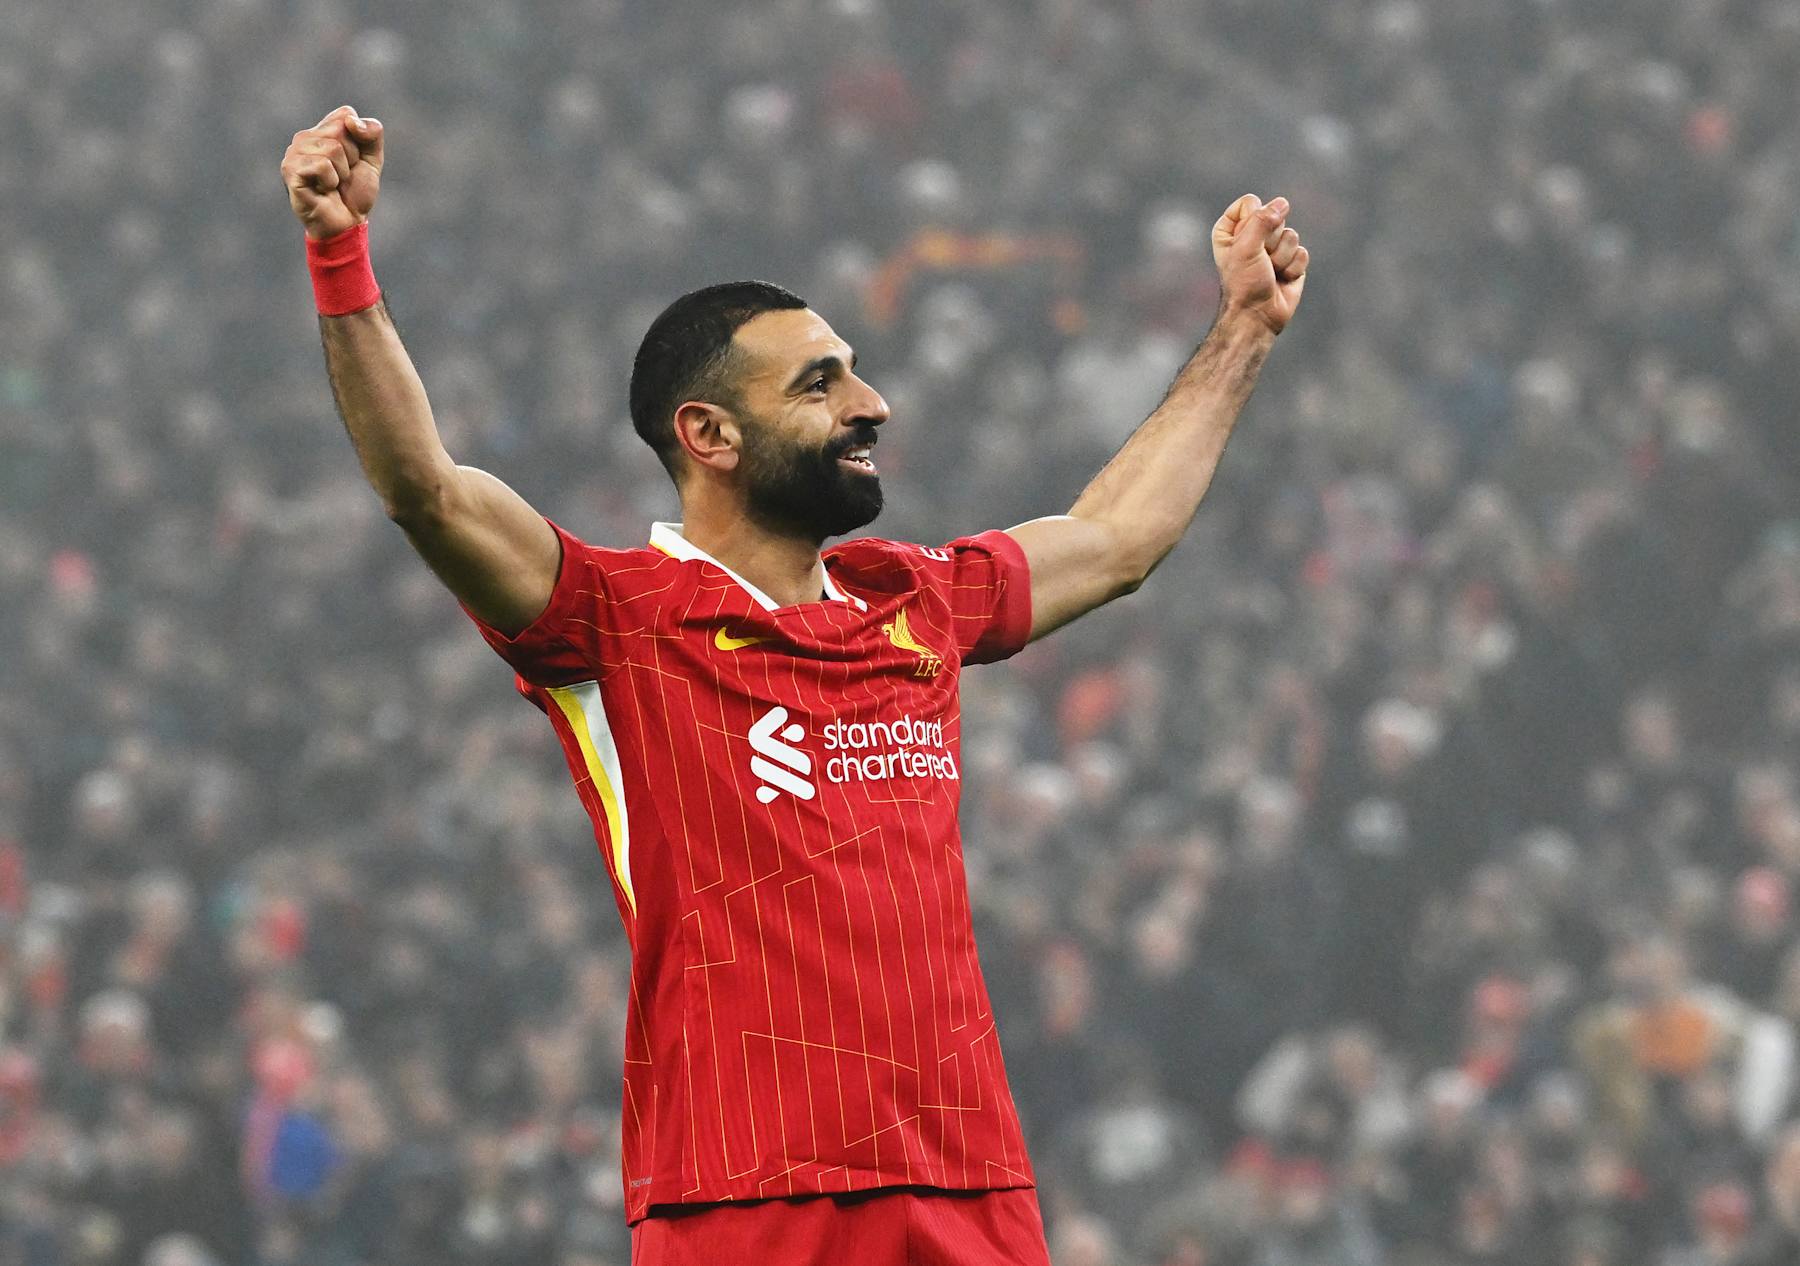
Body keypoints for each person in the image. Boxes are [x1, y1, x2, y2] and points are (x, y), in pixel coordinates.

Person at [279, 103, 1308, 1265]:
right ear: (708, 433)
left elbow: (1116, 539)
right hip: (747, 1193)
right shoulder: (615, 620)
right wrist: (337, 249)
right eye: (822, 384)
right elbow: (428, 488)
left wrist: (1246, 331)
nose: (871, 405)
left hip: (967, 1176)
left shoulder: (914, 598)